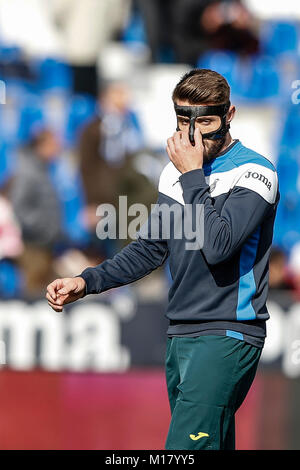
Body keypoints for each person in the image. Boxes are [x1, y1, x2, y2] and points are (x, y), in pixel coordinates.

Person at [46, 69, 280, 450]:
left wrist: (192, 176)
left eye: (205, 121)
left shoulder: (255, 173)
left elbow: (219, 245)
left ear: (230, 115)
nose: (194, 133)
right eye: (184, 121)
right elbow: (151, 248)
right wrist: (87, 281)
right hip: (180, 333)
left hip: (227, 333)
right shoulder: (174, 175)